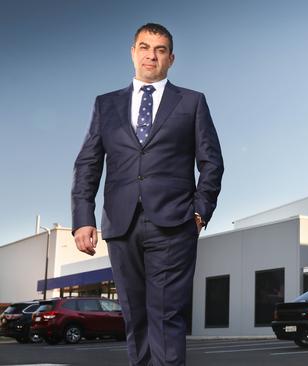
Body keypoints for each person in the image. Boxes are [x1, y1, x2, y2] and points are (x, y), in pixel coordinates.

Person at [71, 23, 224, 366]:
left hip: (174, 223)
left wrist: (200, 211)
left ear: (171, 58)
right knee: (134, 318)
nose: (150, 55)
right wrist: (83, 219)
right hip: (121, 226)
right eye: (144, 47)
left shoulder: (192, 102)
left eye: (159, 50)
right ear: (133, 53)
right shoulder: (105, 105)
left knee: (167, 317)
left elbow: (211, 162)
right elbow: (88, 165)